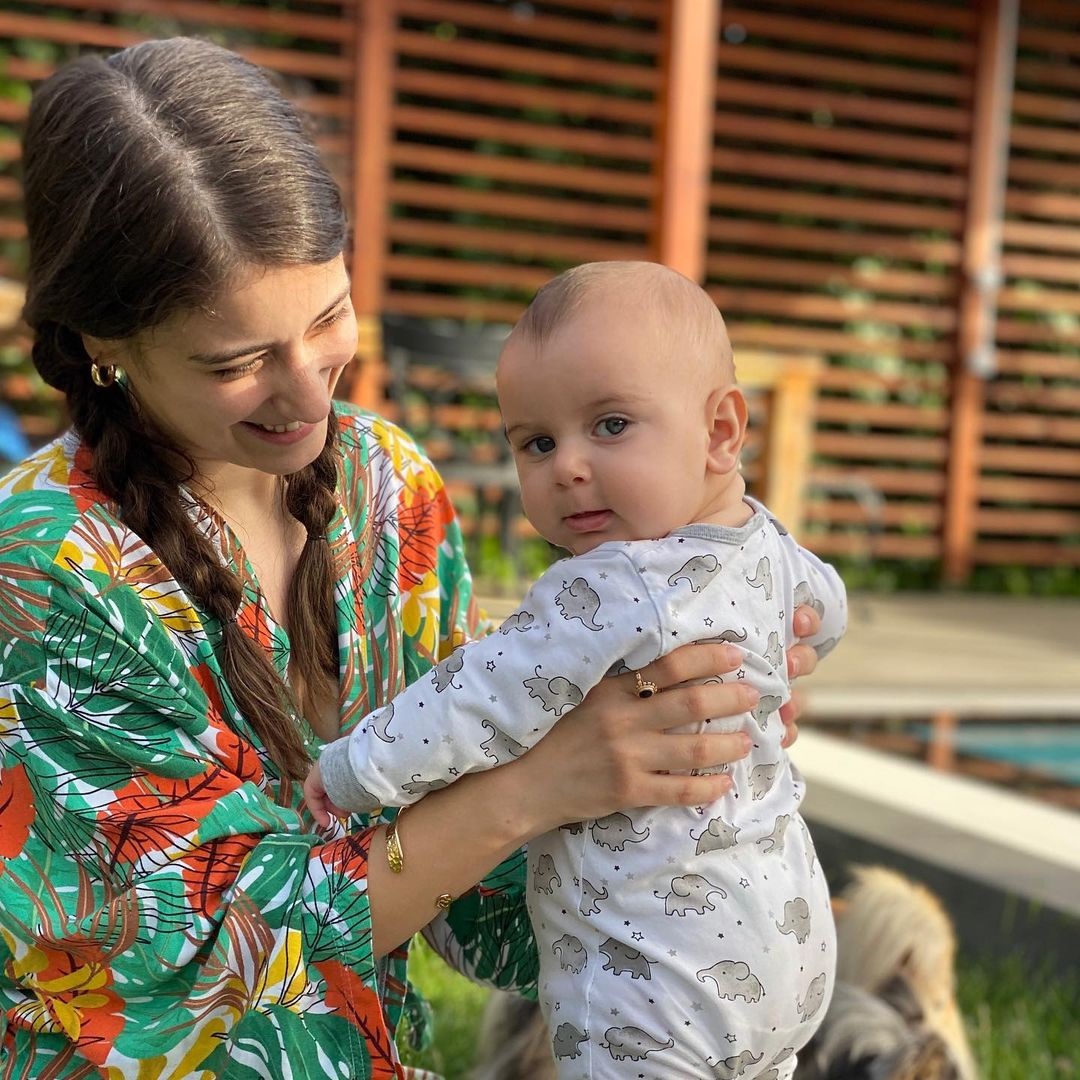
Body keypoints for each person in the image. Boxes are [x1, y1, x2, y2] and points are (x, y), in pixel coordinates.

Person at [0, 40, 826, 1078]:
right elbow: (180, 983)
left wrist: (668, 747)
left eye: (328, 317)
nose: (309, 392)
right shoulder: (40, 571)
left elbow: (483, 914)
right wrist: (541, 784)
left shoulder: (387, 489)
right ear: (105, 346)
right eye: (239, 361)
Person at [306, 261, 847, 1078]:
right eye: (538, 442)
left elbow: (477, 698)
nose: (567, 466)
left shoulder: (608, 585)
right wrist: (785, 650)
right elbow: (825, 612)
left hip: (656, 973)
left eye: (611, 425)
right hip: (786, 941)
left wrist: (355, 769)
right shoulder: (771, 545)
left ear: (721, 431)